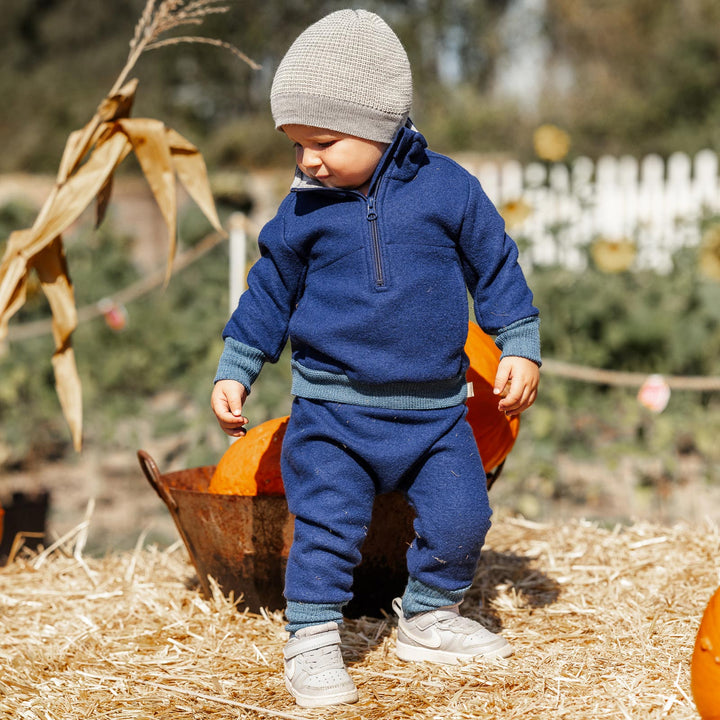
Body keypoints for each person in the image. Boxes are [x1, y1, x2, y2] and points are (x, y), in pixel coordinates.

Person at [211, 9, 540, 709]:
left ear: (382, 123)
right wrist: (238, 363)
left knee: (462, 517)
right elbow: (268, 291)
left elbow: (497, 265)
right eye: (296, 144)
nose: (307, 160)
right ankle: (311, 642)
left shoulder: (450, 190)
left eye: (323, 141)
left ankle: (427, 616)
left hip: (436, 413)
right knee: (328, 528)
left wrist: (517, 339)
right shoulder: (302, 212)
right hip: (333, 411)